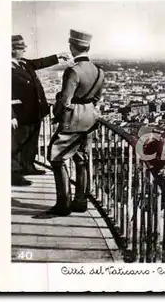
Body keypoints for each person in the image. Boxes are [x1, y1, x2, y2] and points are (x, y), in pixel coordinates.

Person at [46, 29, 105, 216]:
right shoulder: (99, 72)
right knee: (81, 159)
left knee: (56, 158)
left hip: (72, 120)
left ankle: (63, 203)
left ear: (72, 47)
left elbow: (65, 100)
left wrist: (57, 114)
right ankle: (81, 202)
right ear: (87, 47)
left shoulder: (73, 71)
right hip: (90, 118)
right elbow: (96, 97)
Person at [11, 35, 70, 186]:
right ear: (11, 50)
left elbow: (40, 62)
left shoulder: (23, 63)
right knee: (16, 143)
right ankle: (14, 174)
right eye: (20, 49)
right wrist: (10, 115)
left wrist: (58, 57)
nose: (24, 50)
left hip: (33, 111)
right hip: (19, 113)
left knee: (31, 141)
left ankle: (28, 166)